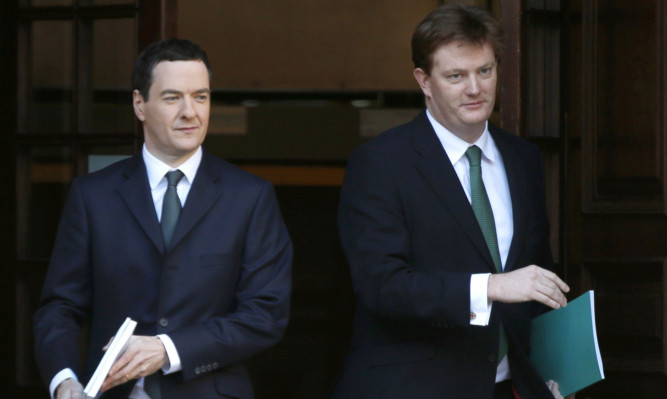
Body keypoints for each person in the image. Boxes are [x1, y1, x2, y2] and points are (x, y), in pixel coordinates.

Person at [332, 4, 570, 399]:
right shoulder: (379, 163)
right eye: (456, 76)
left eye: (485, 71)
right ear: (424, 81)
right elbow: (382, 286)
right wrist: (490, 287)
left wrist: (556, 372)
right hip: (413, 388)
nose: (475, 88)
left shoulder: (523, 159)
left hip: (510, 387)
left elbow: (537, 280)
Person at [33, 38, 292, 399]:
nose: (191, 112)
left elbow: (266, 314)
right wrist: (64, 380)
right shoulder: (92, 195)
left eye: (200, 97)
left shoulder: (250, 196)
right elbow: (60, 307)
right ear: (140, 104)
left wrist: (168, 350)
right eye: (173, 98)